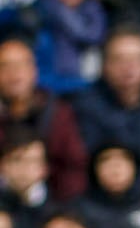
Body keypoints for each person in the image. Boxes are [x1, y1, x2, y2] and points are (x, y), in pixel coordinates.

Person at [74, 27, 140, 214]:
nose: (128, 68)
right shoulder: (86, 107)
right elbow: (95, 164)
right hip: (108, 204)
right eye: (119, 60)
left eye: (136, 59)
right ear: (105, 65)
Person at [0, 37, 88, 202]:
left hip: (51, 203)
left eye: (21, 65)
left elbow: (73, 167)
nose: (14, 73)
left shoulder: (58, 113)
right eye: (5, 66)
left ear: (34, 70)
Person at [36, 0, 107, 95]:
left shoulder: (96, 11)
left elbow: (92, 36)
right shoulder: (38, 14)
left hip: (90, 92)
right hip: (48, 92)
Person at [0, 131, 49, 228]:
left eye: (33, 161)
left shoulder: (54, 208)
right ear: (3, 164)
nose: (24, 168)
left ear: (44, 169)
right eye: (17, 160)